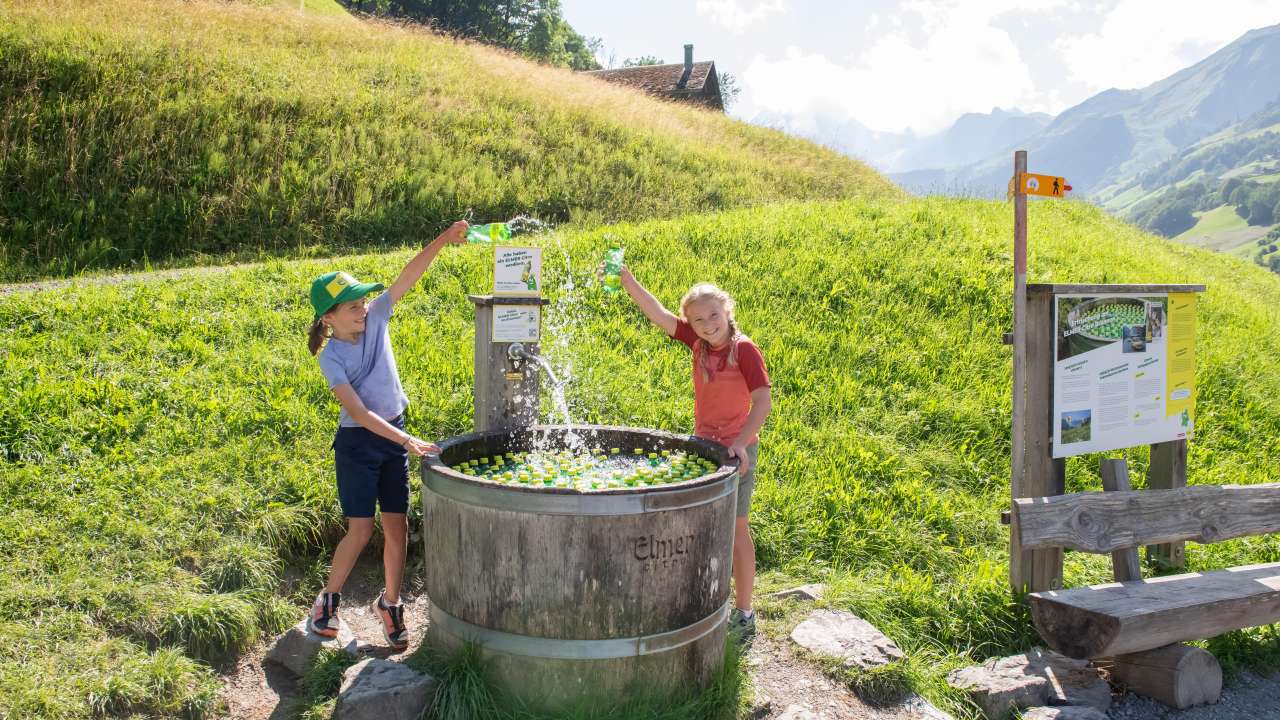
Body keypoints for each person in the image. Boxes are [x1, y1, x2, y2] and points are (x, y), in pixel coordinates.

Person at [305, 220, 468, 649]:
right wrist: (406, 442)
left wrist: (443, 238)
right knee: (360, 530)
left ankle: (390, 606)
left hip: (393, 436)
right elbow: (356, 412)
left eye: (362, 301)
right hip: (359, 446)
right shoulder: (331, 359)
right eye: (352, 306)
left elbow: (409, 275)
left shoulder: (378, 317)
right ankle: (327, 602)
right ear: (329, 318)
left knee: (396, 528)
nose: (363, 309)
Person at [612, 267, 772, 639]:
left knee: (736, 529)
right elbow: (657, 313)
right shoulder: (697, 343)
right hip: (703, 448)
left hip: (736, 453)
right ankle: (700, 599)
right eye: (698, 319)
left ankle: (745, 614)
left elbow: (762, 401)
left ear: (727, 310)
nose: (707, 324)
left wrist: (741, 442)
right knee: (699, 525)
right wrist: (628, 280)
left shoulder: (743, 349)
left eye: (714, 315)